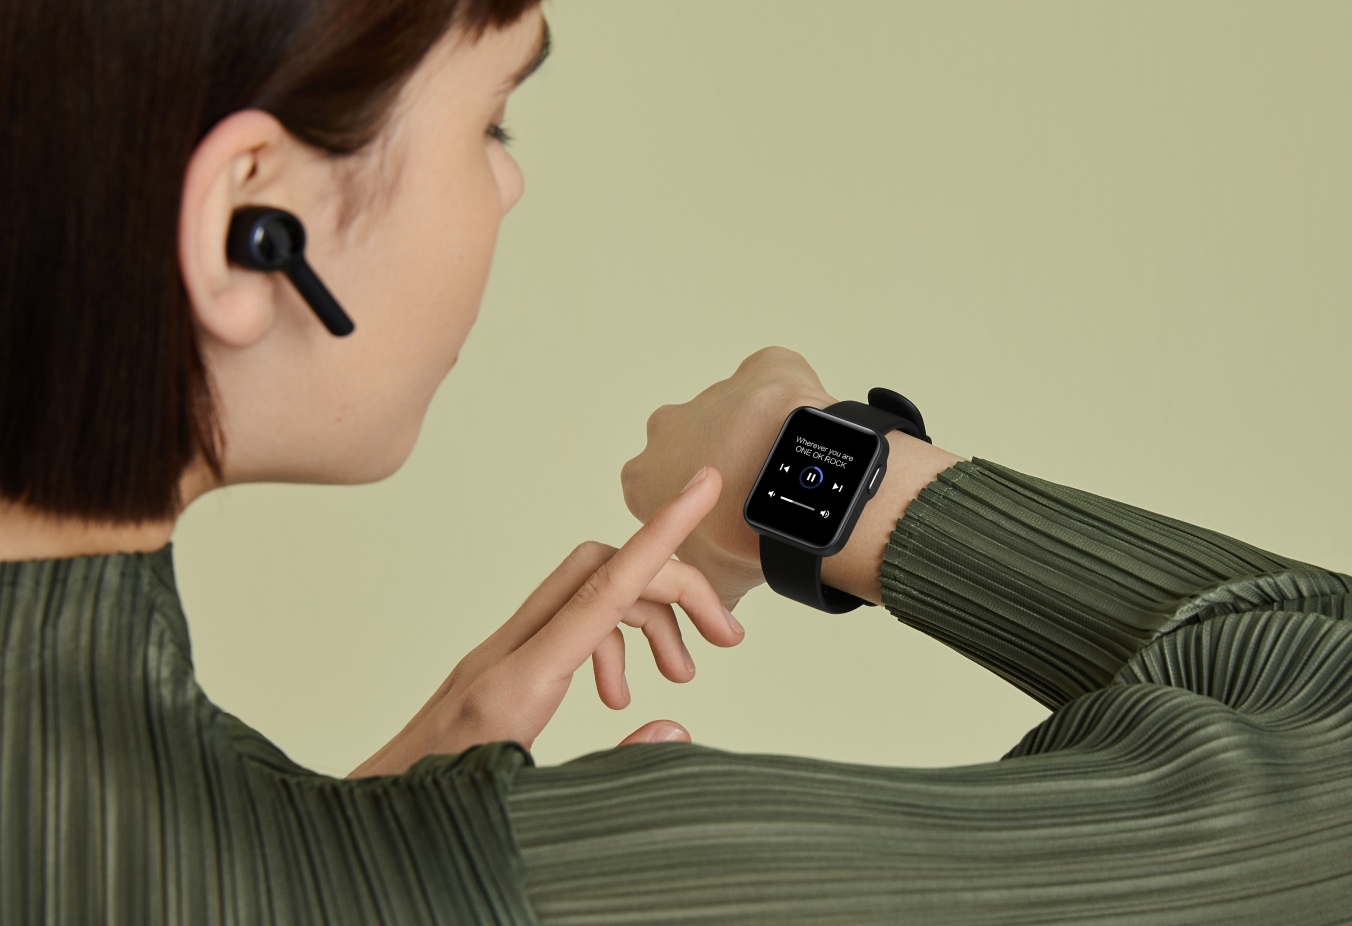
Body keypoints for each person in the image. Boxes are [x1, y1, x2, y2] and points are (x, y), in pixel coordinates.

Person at [2, 1, 1349, 924]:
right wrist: (813, 469)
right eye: (493, 121)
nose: (508, 185)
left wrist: (344, 827)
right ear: (253, 225)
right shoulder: (492, 878)